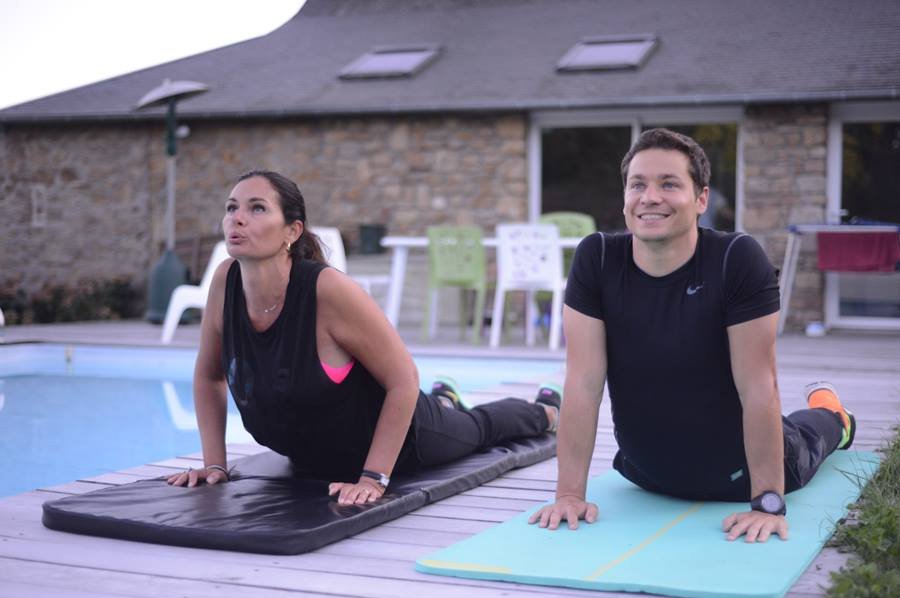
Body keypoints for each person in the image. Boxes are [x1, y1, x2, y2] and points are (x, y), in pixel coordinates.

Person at [529, 128, 856, 543]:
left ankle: (834, 414)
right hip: (646, 475)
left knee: (811, 433)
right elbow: (582, 383)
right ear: (625, 197)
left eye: (669, 184)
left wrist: (768, 502)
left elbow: (759, 387)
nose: (650, 196)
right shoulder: (597, 258)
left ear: (701, 198)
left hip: (738, 477)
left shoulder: (736, 260)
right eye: (638, 185)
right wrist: (569, 495)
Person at [167, 169, 560, 506]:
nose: (237, 218)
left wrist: (374, 477)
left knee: (477, 429)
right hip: (312, 455)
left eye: (257, 208)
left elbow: (403, 378)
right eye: (231, 207)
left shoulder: (328, 291)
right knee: (450, 412)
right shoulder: (225, 280)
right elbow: (209, 376)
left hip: (405, 443)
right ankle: (445, 400)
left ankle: (546, 409)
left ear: (292, 230)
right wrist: (215, 464)